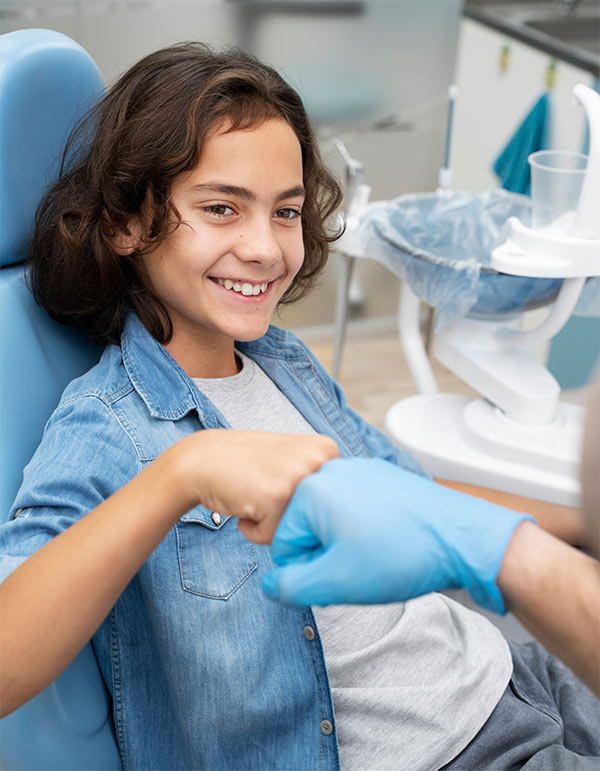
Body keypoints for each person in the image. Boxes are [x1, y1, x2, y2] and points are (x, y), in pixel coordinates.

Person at [0, 42, 598, 770]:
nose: (264, 247)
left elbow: (412, 499)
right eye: (222, 208)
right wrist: (181, 472)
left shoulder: (283, 360)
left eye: (284, 211)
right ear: (127, 224)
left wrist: (576, 524)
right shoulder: (106, 426)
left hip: (512, 677)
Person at [264, 375, 600, 697]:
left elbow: (414, 488)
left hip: (506, 669)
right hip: (456, 739)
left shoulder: (286, 364)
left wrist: (573, 526)